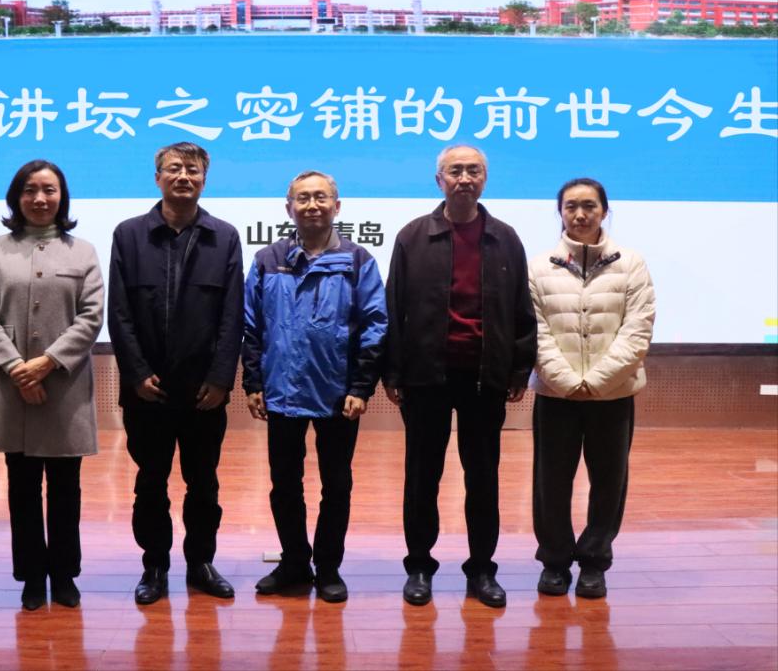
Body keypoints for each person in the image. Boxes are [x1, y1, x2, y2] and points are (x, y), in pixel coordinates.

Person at [384, 145, 537, 608]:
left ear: (485, 179)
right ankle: (419, 566)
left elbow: (521, 309)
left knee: (483, 477)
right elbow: (393, 307)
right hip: (424, 377)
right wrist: (392, 370)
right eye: (456, 171)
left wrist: (519, 368)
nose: (465, 178)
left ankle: (482, 569)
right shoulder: (413, 236)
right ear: (440, 180)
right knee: (421, 476)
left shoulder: (505, 238)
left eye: (474, 171)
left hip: (484, 378)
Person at [108, 142, 243, 605]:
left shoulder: (224, 237)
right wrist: (136, 374)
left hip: (204, 391)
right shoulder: (129, 235)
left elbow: (232, 314)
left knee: (203, 482)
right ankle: (155, 566)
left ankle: (201, 562)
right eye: (174, 168)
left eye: (193, 170)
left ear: (204, 179)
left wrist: (222, 378)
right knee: (150, 482)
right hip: (148, 390)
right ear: (158, 177)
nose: (183, 176)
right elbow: (119, 312)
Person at [243, 170, 387, 603]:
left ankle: (328, 567)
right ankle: (293, 562)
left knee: (336, 485)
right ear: (288, 208)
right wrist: (253, 381)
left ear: (336, 206)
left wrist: (361, 387)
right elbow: (251, 324)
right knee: (284, 484)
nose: (312, 205)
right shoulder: (268, 259)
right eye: (302, 198)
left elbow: (376, 324)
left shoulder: (358, 260)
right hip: (281, 391)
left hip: (337, 394)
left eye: (320, 197)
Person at [0, 160, 104, 611]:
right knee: (22, 489)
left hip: (64, 388)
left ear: (62, 197)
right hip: (13, 390)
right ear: (17, 197)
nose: (40, 198)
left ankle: (64, 575)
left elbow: (91, 317)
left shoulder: (82, 251)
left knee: (66, 490)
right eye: (30, 190)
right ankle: (31, 576)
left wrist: (46, 363)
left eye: (49, 190)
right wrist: (16, 368)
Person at [529, 178, 655, 599]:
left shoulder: (631, 264)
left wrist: (597, 381)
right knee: (551, 481)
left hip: (613, 394)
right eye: (571, 207)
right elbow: (534, 331)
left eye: (589, 206)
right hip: (556, 394)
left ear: (604, 210)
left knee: (609, 481)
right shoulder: (539, 266)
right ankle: (554, 561)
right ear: (560, 212)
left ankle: (594, 562)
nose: (580, 214)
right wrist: (567, 381)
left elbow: (638, 329)